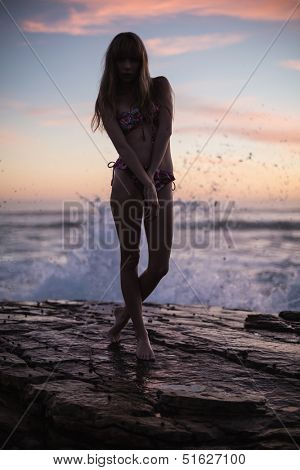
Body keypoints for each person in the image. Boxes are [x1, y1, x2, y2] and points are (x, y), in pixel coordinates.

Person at [91, 32, 176, 361]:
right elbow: (122, 147)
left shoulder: (160, 87)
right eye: (120, 60)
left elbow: (165, 131)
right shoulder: (107, 99)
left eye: (133, 59)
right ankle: (141, 338)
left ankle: (121, 316)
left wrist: (153, 179)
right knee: (130, 259)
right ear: (112, 63)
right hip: (126, 184)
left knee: (160, 265)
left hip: (160, 181)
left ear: (142, 61)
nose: (127, 66)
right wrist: (143, 181)